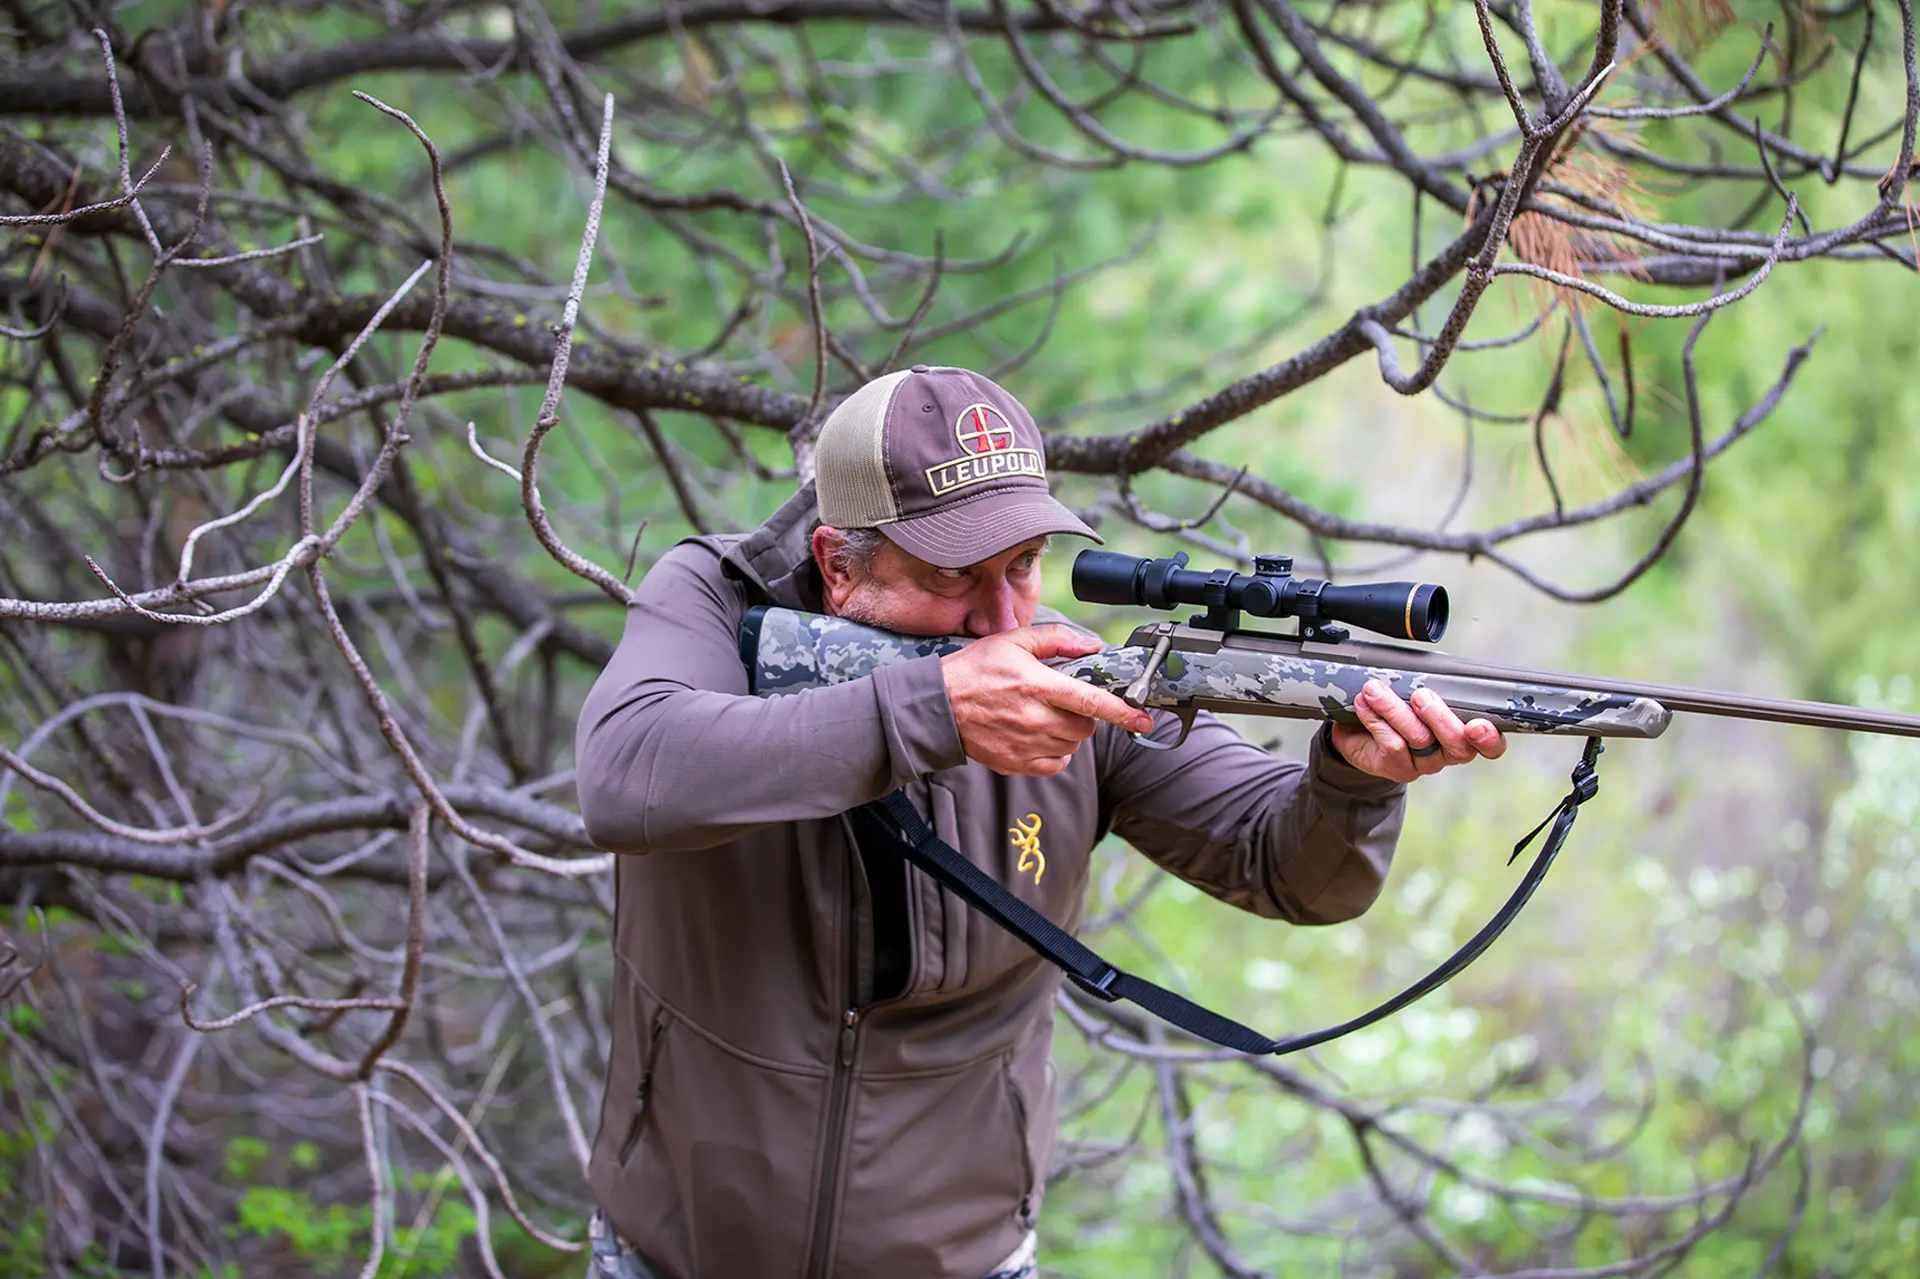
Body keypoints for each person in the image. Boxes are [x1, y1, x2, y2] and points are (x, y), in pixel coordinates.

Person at [574, 365, 1506, 1278]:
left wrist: (1353, 778)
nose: (1003, 617)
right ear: (835, 564)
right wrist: (931, 710)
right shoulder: (713, 597)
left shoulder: (1071, 675)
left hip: (963, 1257)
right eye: (953, 575)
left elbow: (1290, 870)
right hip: (676, 1248)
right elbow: (626, 775)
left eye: (1022, 565)